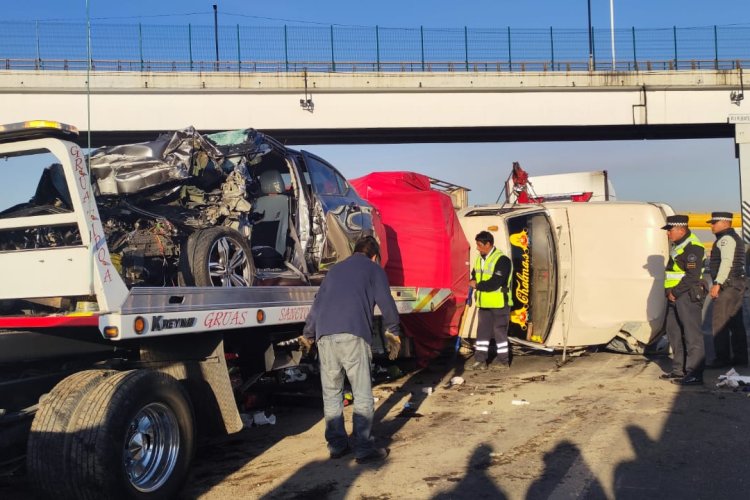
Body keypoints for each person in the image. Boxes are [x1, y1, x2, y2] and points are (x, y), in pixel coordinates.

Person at [299, 235, 401, 464]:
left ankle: (337, 445)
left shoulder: (334, 271)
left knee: (332, 393)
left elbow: (317, 305)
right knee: (362, 392)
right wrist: (393, 331)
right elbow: (386, 303)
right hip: (353, 335)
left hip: (325, 336)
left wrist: (308, 335)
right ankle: (363, 448)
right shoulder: (374, 270)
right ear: (374, 256)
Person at [660, 215, 706, 386]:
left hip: (687, 294)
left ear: (681, 229)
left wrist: (676, 292)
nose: (668, 234)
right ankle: (679, 370)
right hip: (675, 295)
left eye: (670, 230)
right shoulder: (678, 245)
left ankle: (695, 373)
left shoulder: (692, 247)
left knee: (692, 335)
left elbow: (693, 276)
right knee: (674, 333)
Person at [706, 211, 748, 368]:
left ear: (724, 223)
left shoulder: (726, 239)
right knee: (735, 323)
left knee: (720, 323)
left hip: (728, 285)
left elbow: (726, 262)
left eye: (714, 223)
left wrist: (717, 283)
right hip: (736, 284)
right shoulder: (733, 238)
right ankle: (741, 358)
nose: (712, 226)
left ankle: (722, 359)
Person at [468, 230, 513, 371]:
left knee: (499, 333)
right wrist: (472, 280)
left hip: (499, 303)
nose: (477, 247)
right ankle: (480, 360)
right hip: (484, 303)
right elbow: (475, 274)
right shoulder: (479, 259)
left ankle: (503, 361)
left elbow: (496, 282)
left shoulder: (502, 260)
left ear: (488, 244)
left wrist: (478, 285)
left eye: (479, 245)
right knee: (482, 333)